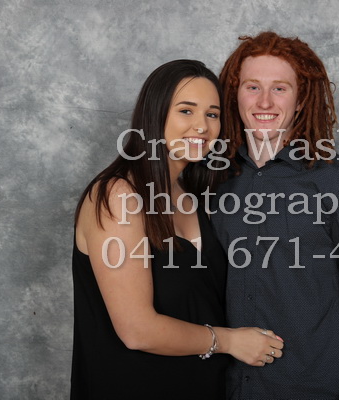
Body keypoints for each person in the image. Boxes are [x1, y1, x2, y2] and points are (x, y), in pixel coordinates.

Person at [70, 59, 284, 399]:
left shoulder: (192, 196)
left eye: (212, 114)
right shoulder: (118, 195)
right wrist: (230, 341)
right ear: (154, 116)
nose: (202, 126)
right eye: (186, 111)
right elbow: (137, 330)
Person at [212, 32, 339, 399]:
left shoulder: (337, 180)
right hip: (226, 385)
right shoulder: (212, 179)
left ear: (300, 101)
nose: (264, 101)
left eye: (280, 89)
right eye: (252, 87)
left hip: (312, 384)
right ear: (234, 96)